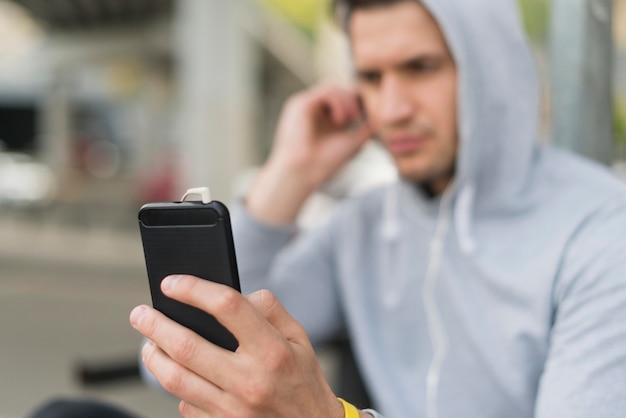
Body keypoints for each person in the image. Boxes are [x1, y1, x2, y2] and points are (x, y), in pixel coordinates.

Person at [130, 0, 626, 417]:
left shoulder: (602, 231)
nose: (391, 109)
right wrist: (290, 174)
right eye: (371, 76)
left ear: (491, 69)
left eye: (420, 68)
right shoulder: (363, 225)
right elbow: (181, 367)